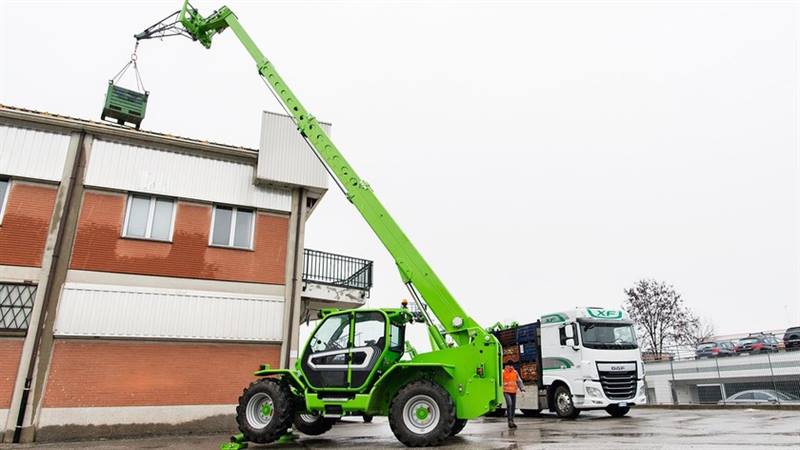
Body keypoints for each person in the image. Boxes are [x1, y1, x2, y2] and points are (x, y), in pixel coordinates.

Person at [502, 362, 525, 428]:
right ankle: (510, 421)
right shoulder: (503, 372)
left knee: (513, 406)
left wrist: (522, 389)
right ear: (506, 366)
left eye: (512, 365)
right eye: (509, 365)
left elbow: (519, 381)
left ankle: (512, 421)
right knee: (509, 404)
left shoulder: (515, 372)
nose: (511, 367)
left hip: (513, 391)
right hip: (506, 391)